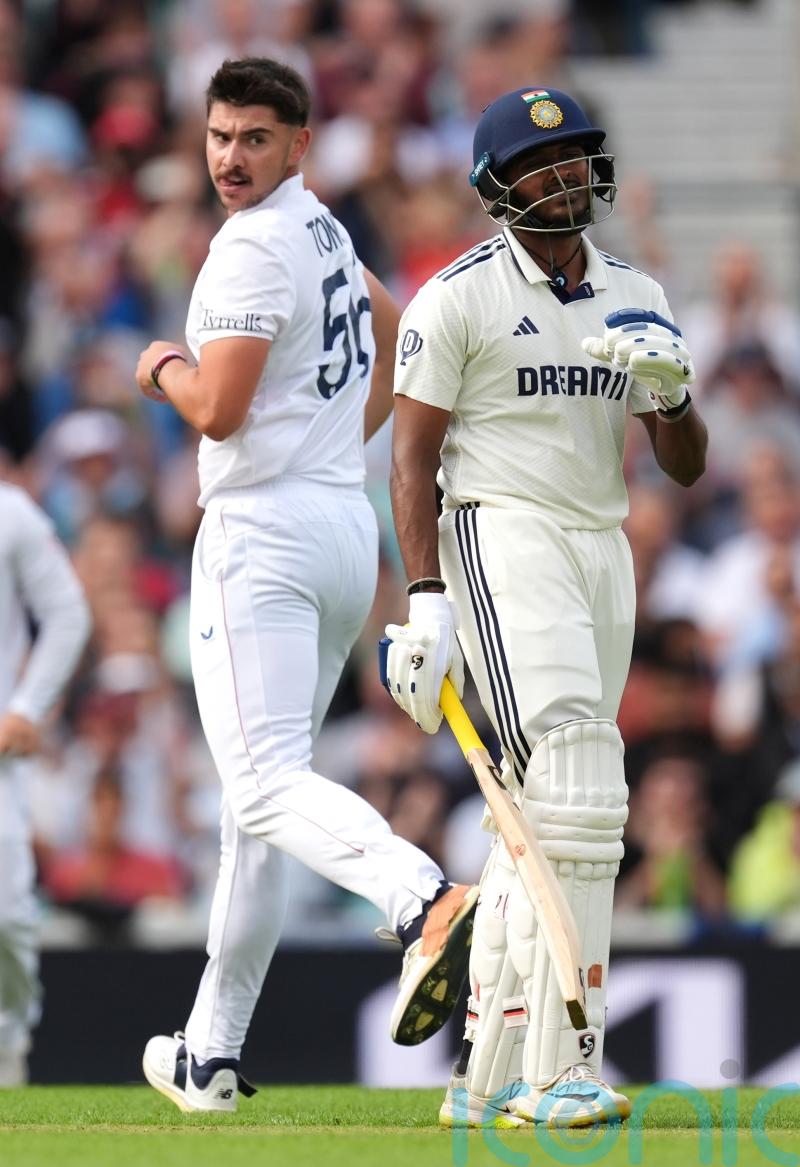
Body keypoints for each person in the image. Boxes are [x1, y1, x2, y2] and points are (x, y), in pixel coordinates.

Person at [134, 57, 477, 1114]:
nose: (231, 158)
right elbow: (393, 328)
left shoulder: (247, 250)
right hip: (335, 526)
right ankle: (209, 1051)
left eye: (254, 140)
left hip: (262, 533)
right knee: (256, 818)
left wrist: (155, 367)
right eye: (220, 136)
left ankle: (419, 896)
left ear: (298, 145)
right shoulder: (322, 226)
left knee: (260, 784)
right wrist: (337, 447)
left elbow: (219, 410)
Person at [382, 85, 708, 1128]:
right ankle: (561, 1065)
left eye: (576, 154)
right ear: (494, 186)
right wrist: (426, 601)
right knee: (576, 777)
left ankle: (483, 1075)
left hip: (598, 545)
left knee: (535, 804)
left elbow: (686, 467)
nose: (566, 174)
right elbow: (410, 456)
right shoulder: (458, 297)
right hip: (498, 528)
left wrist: (670, 396)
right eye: (542, 161)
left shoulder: (635, 291)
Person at [0, 481, 91, 1086]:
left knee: (7, 915)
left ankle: (8, 1042)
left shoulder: (10, 511)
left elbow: (68, 611)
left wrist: (28, 707)